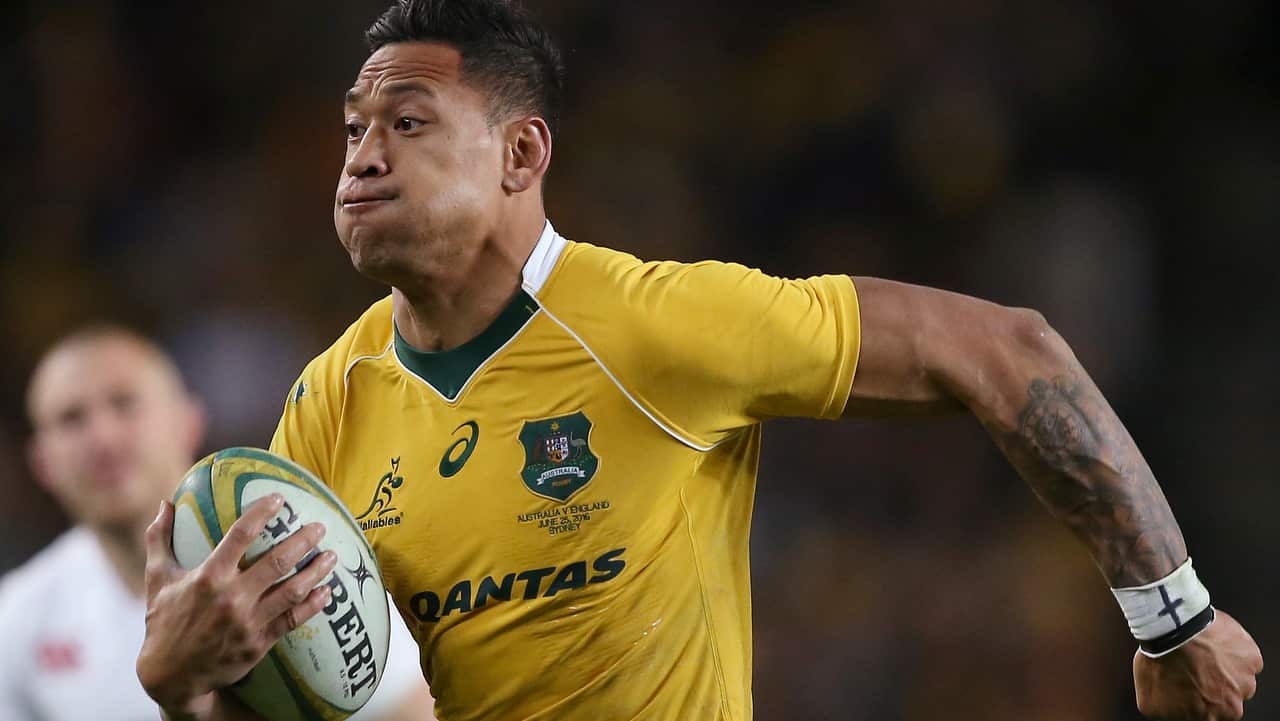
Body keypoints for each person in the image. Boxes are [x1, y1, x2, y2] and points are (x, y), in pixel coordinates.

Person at [134, 1, 1264, 720]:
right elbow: (310, 701)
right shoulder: (329, 401)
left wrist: (1172, 620)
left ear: (521, 152)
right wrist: (181, 678)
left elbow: (1007, 350)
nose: (360, 157)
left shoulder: (653, 325)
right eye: (349, 129)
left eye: (407, 122)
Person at [3, 326, 435, 721]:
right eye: (71, 420)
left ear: (188, 422)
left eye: (124, 403)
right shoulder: (16, 619)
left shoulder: (299, 551)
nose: (102, 437)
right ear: (42, 463)